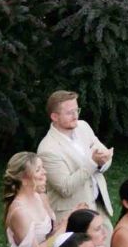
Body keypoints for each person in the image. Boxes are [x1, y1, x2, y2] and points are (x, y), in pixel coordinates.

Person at [36, 88, 114, 218]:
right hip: (73, 216)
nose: (75, 116)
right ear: (54, 117)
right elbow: (65, 189)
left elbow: (103, 153)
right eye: (69, 113)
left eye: (77, 110)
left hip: (98, 204)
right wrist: (93, 162)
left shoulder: (83, 126)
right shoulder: (47, 149)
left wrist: (103, 162)